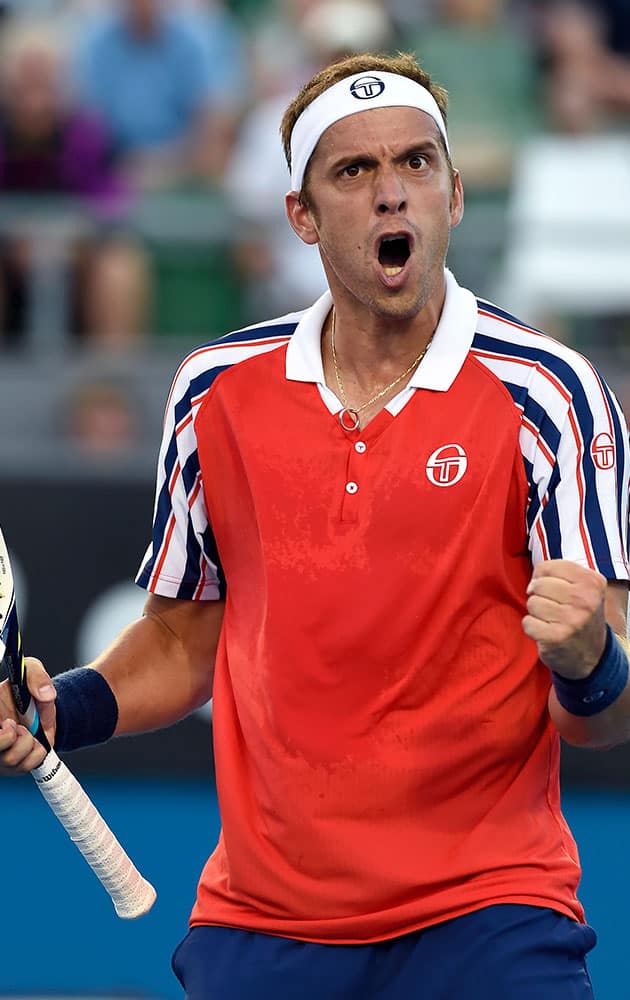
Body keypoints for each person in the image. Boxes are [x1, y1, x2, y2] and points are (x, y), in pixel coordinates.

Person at [1, 50, 629, 999]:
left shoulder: (553, 393)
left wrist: (591, 663)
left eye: (417, 164)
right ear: (301, 215)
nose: (392, 195)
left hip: (489, 917)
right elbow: (183, 639)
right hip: (262, 926)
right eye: (354, 171)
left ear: (456, 197)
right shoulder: (212, 392)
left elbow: (610, 713)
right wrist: (63, 710)